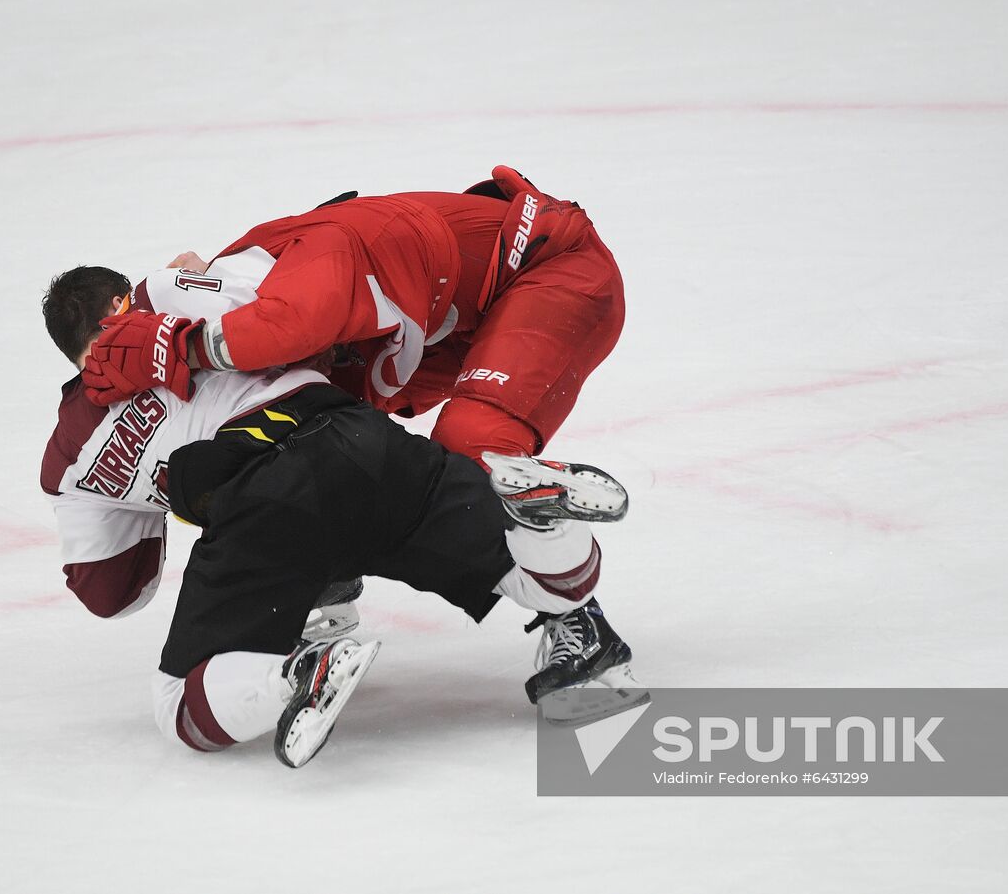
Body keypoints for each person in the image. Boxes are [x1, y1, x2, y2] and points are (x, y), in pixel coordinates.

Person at [40, 267, 641, 766]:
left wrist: (150, 493)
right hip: (362, 440)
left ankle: (298, 673)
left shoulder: (68, 453)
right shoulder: (166, 293)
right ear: (120, 302)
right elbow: (306, 307)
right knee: (535, 579)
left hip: (267, 503)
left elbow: (113, 591)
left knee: (179, 707)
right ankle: (542, 521)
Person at [70, 166, 630, 693]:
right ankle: (327, 596)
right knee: (326, 454)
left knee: (470, 450)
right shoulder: (234, 291)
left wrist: (182, 343)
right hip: (450, 314)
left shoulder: (310, 257)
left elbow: (294, 320)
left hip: (549, 272)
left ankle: (579, 619)